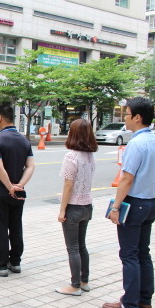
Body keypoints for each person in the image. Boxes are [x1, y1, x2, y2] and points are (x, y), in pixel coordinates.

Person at [103, 97, 155, 308]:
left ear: (137, 117)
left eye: (127, 114)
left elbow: (127, 179)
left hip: (135, 203)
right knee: (142, 253)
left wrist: (116, 207)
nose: (124, 118)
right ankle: (144, 299)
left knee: (129, 254)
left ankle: (129, 303)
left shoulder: (136, 144)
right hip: (151, 203)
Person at [0, 104, 35, 277]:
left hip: (0, 191)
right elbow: (30, 166)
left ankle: (1, 264)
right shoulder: (24, 140)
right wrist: (19, 185)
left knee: (0, 227)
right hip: (18, 192)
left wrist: (9, 187)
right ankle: (15, 261)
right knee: (16, 225)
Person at [55, 119, 98, 295]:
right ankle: (84, 280)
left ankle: (74, 285)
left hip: (73, 207)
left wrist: (62, 210)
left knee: (72, 247)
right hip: (87, 205)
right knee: (81, 246)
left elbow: (68, 185)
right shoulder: (89, 155)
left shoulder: (71, 156)